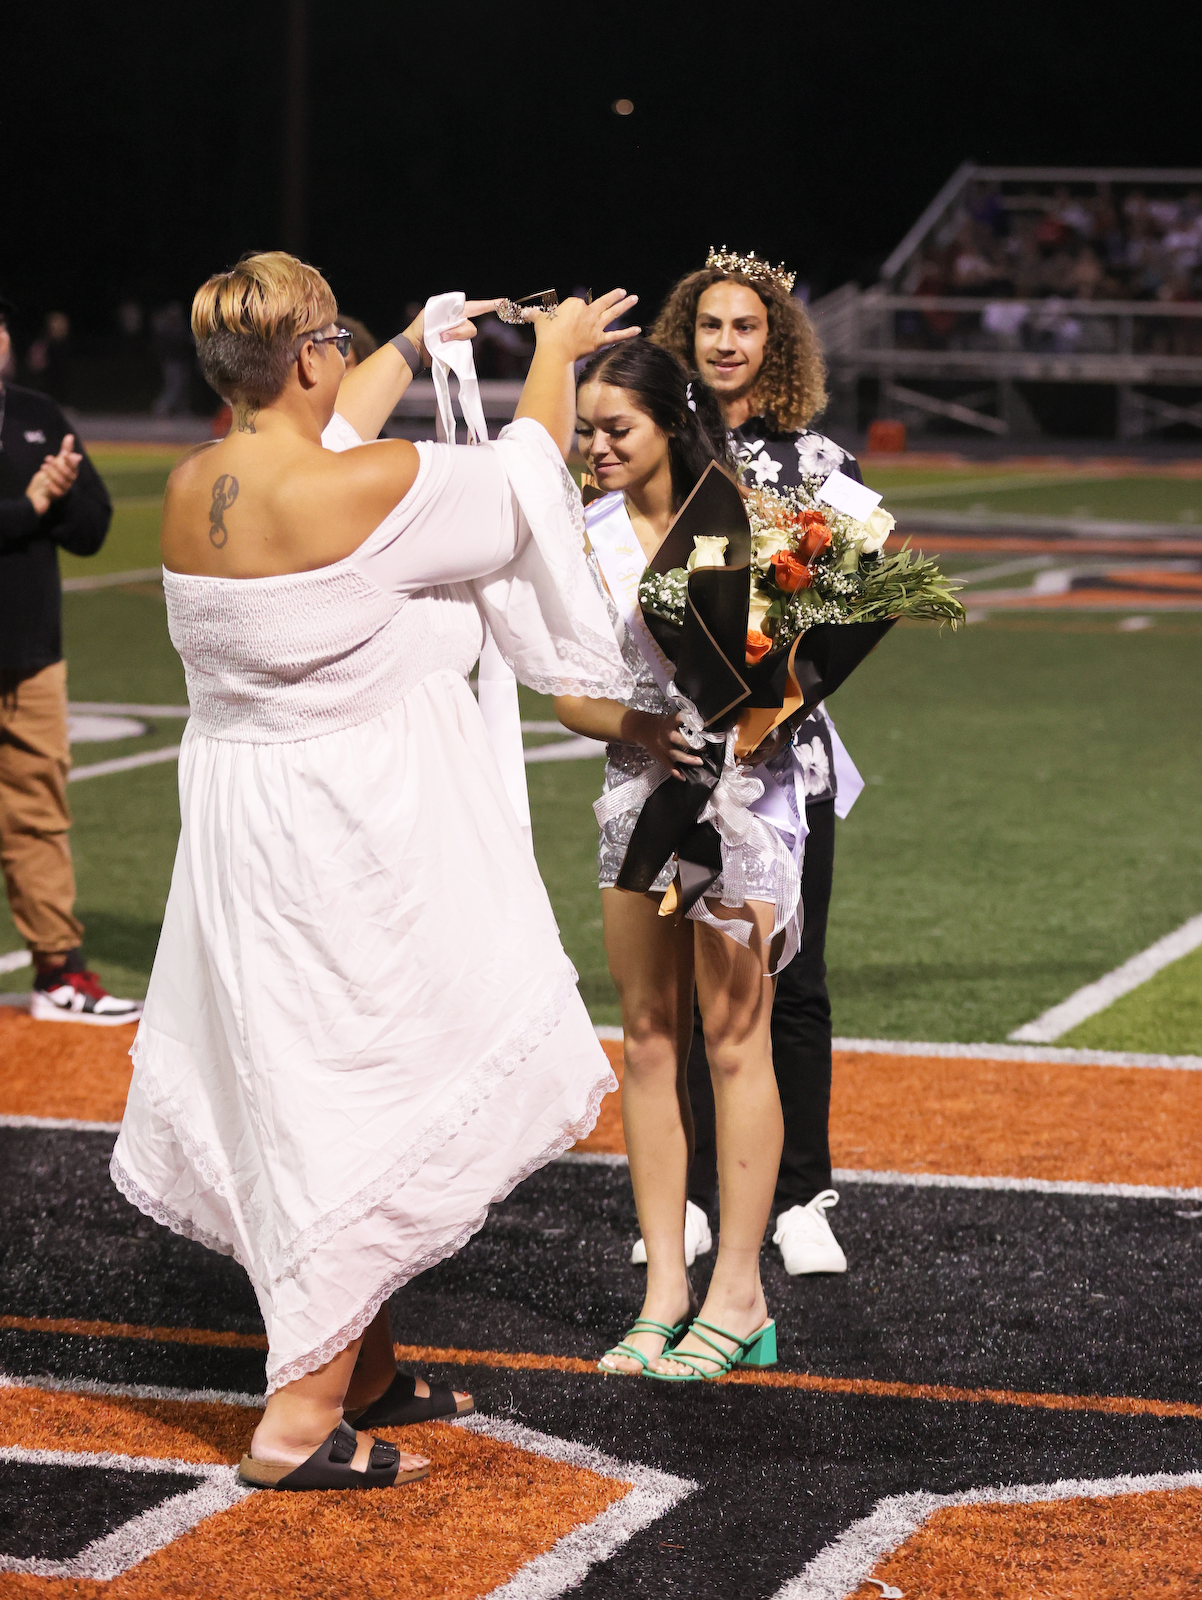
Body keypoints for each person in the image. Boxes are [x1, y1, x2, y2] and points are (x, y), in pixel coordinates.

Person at [110, 251, 639, 1490]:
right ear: (304, 356)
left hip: (248, 824)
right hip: (351, 835)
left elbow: (320, 435)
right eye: (337, 340)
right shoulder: (370, 484)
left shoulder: (196, 483)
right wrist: (553, 356)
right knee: (357, 1090)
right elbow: (521, 483)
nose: (347, 359)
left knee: (308, 1079)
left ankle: (365, 1369)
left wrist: (409, 340)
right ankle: (296, 1422)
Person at [556, 339, 800, 1382]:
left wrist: (757, 718)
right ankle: (664, 1290)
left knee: (734, 1038)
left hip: (736, 804)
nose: (597, 447)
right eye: (587, 430)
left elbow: (793, 656)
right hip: (641, 800)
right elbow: (567, 693)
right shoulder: (585, 534)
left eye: (617, 428)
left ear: (669, 420)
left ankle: (738, 1293)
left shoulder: (740, 518)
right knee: (650, 1039)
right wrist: (647, 730)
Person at [651, 249, 868, 1276]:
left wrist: (784, 700)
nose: (726, 343)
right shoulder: (658, 449)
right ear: (684, 338)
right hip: (682, 759)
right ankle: (696, 1193)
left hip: (784, 762)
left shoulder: (819, 461)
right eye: (710, 326)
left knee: (794, 974)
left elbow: (861, 597)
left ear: (774, 341)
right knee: (696, 976)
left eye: (745, 326)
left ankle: (801, 1196)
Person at [0, 293, 143, 1024]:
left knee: (39, 818)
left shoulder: (38, 415)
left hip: (30, 658)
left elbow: (93, 528)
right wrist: (28, 508)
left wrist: (56, 498)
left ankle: (58, 972)